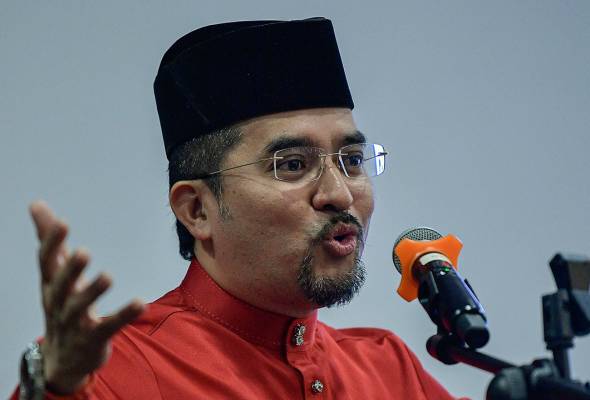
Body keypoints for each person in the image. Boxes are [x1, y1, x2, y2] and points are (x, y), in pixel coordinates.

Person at [13, 18, 464, 399]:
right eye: (292, 164)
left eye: (351, 161)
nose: (339, 194)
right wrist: (52, 387)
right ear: (196, 209)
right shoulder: (117, 367)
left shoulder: (388, 371)